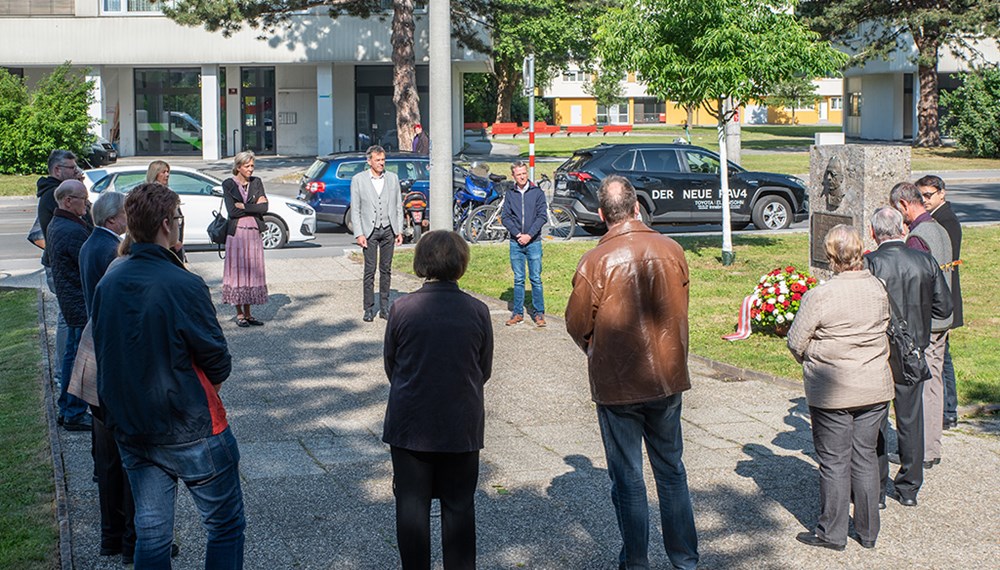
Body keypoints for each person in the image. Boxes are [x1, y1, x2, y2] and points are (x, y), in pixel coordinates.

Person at [92, 182, 245, 568]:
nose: (179, 224)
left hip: (132, 425)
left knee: (152, 532)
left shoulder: (110, 280)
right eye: (178, 218)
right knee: (225, 525)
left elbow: (106, 351)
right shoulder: (184, 283)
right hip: (188, 428)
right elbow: (217, 361)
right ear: (166, 224)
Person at [565, 175, 698, 569]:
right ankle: (684, 559)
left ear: (603, 214)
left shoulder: (595, 260)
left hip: (619, 382)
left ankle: (637, 561)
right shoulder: (671, 249)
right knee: (671, 470)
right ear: (637, 208)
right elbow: (680, 305)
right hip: (666, 375)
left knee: (628, 478)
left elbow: (576, 323)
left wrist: (594, 346)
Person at [383, 230, 493, 569]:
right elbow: (483, 369)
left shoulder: (402, 309)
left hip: (411, 422)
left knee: (412, 506)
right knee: (459, 505)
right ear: (461, 264)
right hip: (461, 422)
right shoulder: (478, 310)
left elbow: (392, 366)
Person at [787, 225, 894, 551]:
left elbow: (796, 341)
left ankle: (832, 533)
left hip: (833, 388)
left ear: (831, 257)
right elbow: (885, 325)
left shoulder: (821, 295)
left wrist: (814, 358)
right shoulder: (878, 287)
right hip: (873, 385)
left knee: (834, 461)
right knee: (864, 457)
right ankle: (868, 531)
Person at [865, 207, 951, 507]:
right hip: (913, 349)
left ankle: (875, 490)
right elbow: (944, 309)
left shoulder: (870, 263)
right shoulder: (924, 260)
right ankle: (909, 488)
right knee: (911, 419)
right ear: (902, 229)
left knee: (874, 420)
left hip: (878, 351)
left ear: (874, 232)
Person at [78, 191, 136, 562]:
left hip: (94, 364)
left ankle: (111, 538)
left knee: (108, 463)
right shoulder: (111, 254)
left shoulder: (93, 243)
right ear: (116, 218)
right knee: (123, 463)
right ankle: (129, 540)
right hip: (108, 367)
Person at [889, 182, 953, 468]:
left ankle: (922, 452)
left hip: (926, 323)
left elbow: (915, 283)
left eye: (896, 209)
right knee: (935, 383)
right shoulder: (939, 228)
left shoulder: (918, 237)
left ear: (904, 205)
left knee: (922, 386)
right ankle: (932, 447)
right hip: (942, 318)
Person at [916, 175, 963, 431]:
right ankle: (947, 410)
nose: (924, 200)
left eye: (929, 195)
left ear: (942, 193)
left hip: (943, 297)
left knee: (943, 358)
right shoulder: (938, 218)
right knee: (942, 356)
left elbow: (945, 264)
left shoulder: (946, 221)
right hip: (942, 297)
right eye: (921, 195)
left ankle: (948, 410)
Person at [47, 179, 94, 431]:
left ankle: (68, 408)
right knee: (79, 361)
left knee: (71, 358)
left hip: (71, 301)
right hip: (78, 303)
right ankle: (73, 411)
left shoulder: (61, 223)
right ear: (68, 201)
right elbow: (87, 263)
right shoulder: (71, 230)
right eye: (82, 198)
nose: (86, 202)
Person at [37, 150, 84, 398]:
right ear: (57, 170)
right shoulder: (51, 197)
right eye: (72, 168)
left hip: (59, 264)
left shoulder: (56, 193)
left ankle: (64, 380)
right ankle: (63, 380)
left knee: (68, 321)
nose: (77, 171)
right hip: (61, 267)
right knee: (69, 322)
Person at [351, 144, 403, 322]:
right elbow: (355, 209)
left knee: (386, 269)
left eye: (383, 160)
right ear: (369, 161)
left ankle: (384, 307)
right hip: (369, 230)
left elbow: (398, 206)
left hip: (388, 229)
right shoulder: (358, 180)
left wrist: (399, 230)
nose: (381, 163)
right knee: (369, 270)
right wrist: (359, 234)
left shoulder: (393, 178)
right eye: (378, 160)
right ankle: (368, 308)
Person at [222, 151, 269, 327]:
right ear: (238, 167)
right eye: (247, 166)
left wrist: (245, 206)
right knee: (238, 272)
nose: (251, 169)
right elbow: (232, 212)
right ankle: (240, 313)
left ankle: (249, 313)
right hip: (237, 234)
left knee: (252, 271)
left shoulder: (256, 182)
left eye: (252, 166)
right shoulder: (228, 184)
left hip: (253, 232)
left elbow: (264, 208)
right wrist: (254, 206)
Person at [501, 161, 548, 327]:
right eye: (518, 174)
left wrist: (529, 235)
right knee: (518, 279)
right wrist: (517, 234)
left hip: (533, 242)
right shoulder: (510, 194)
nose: (522, 177)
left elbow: (542, 216)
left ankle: (539, 313)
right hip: (516, 242)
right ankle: (518, 313)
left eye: (524, 173)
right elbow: (505, 217)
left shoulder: (537, 193)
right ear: (513, 176)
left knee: (535, 278)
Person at [146, 160, 187, 261]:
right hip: (165, 243)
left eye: (168, 172)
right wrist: (175, 241)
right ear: (155, 173)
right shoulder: (153, 193)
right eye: (163, 172)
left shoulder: (168, 191)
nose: (167, 175)